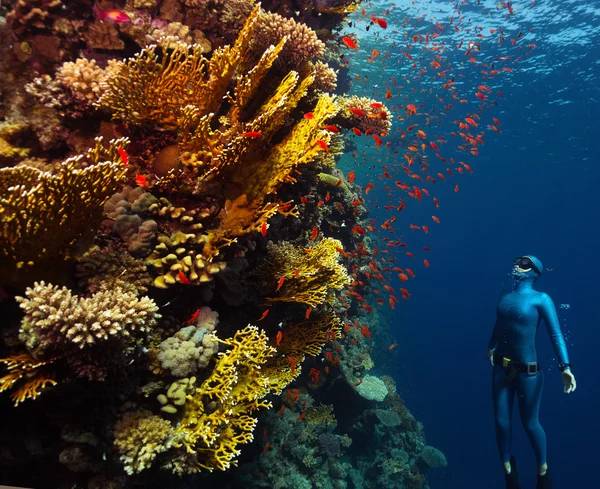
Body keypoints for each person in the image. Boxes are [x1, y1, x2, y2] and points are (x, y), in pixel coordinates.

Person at [487, 256, 576, 489]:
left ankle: (543, 472)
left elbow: (556, 334)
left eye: (525, 263)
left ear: (535, 271)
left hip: (529, 374)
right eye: (517, 261)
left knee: (530, 424)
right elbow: (499, 324)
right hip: (500, 369)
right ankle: (508, 472)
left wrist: (565, 367)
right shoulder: (505, 295)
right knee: (501, 423)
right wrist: (491, 347)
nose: (517, 264)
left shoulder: (542, 299)